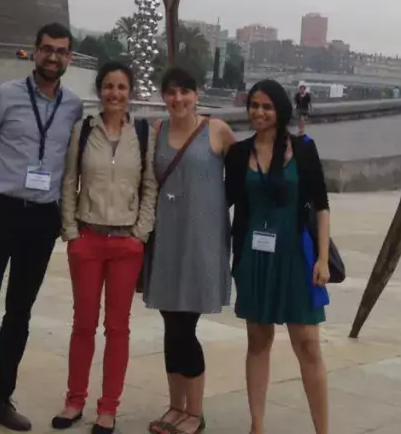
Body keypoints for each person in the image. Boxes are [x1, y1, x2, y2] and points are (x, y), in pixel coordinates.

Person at [0, 23, 85, 434]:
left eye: (61, 51)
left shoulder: (73, 107)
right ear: (34, 52)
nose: (53, 57)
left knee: (19, 313)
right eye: (47, 49)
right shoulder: (5, 96)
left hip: (41, 219)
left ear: (69, 58)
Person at [52, 61, 158, 434]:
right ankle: (74, 400)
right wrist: (71, 232)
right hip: (88, 240)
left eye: (122, 87)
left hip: (126, 243)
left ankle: (108, 407)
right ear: (100, 91)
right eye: (109, 86)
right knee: (83, 324)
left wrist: (140, 233)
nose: (115, 93)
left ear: (131, 93)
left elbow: (150, 186)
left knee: (117, 328)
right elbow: (69, 181)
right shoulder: (83, 130)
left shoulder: (142, 133)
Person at [225, 80, 331, 434]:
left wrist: (323, 259)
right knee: (258, 342)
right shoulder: (239, 154)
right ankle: (257, 425)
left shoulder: (302, 149)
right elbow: (223, 201)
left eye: (267, 106)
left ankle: (322, 429)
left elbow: (321, 205)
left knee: (309, 346)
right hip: (254, 258)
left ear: (281, 109)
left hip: (296, 257)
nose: (259, 112)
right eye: (254, 105)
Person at [144, 67, 236, 434]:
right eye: (171, 92)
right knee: (170, 326)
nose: (178, 98)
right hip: (167, 240)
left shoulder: (217, 131)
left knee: (185, 328)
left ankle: (195, 413)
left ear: (196, 95)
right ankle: (175, 406)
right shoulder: (157, 131)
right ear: (163, 97)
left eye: (185, 91)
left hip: (202, 244)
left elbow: (245, 178)